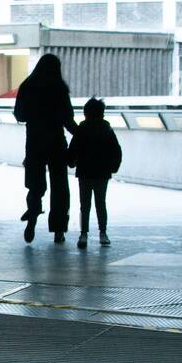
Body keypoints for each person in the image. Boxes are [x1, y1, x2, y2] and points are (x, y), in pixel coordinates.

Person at [13, 54, 77, 244]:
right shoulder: (59, 88)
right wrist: (83, 133)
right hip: (57, 143)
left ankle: (32, 215)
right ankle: (58, 230)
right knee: (60, 187)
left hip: (34, 143)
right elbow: (68, 119)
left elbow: (19, 115)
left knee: (35, 184)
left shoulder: (28, 86)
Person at [66, 98, 122, 249]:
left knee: (85, 205)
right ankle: (103, 233)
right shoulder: (107, 130)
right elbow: (116, 151)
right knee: (100, 203)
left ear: (85, 114)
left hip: (84, 171)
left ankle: (83, 234)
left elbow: (73, 149)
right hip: (102, 172)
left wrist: (71, 162)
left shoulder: (81, 130)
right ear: (102, 113)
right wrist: (113, 167)